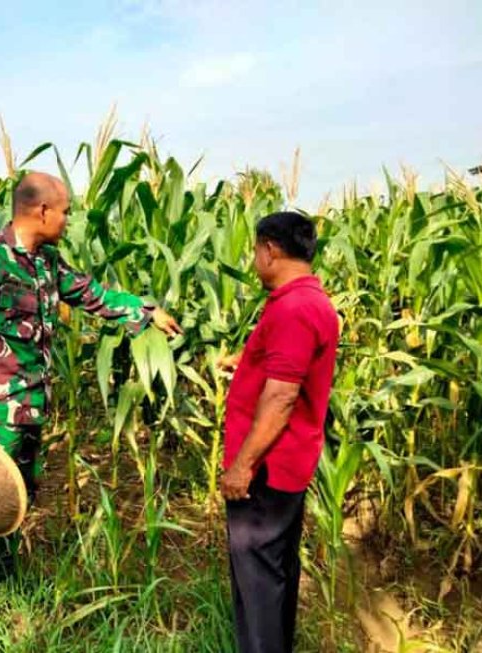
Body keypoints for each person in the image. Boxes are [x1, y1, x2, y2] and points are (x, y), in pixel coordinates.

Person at [0, 171, 182, 652]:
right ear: (42, 211)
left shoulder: (45, 262)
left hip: (30, 408)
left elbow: (91, 294)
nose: (69, 219)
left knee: (13, 498)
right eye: (65, 210)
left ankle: (0, 581)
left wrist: (144, 311)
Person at [219, 211, 339, 653]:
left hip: (266, 471)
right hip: (289, 465)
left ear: (270, 249)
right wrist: (246, 362)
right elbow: (289, 369)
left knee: (257, 585)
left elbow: (282, 398)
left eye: (255, 250)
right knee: (277, 573)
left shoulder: (293, 308)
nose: (254, 259)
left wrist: (241, 467)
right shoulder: (312, 301)